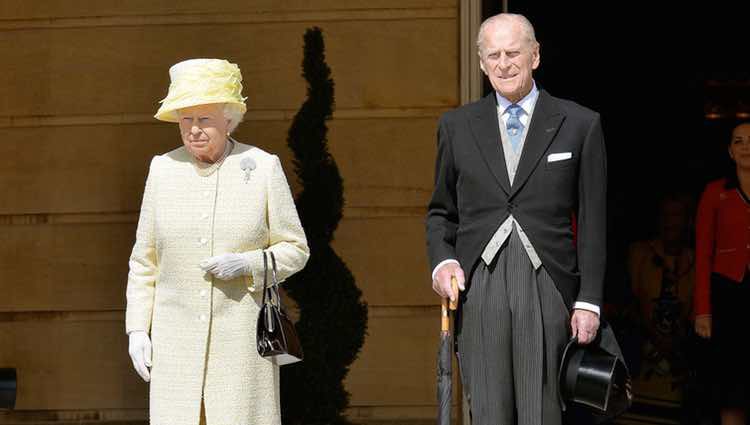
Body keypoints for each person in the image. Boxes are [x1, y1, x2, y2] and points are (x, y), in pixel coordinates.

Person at [425, 13, 608, 425]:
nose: (504, 63)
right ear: (481, 63)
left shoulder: (580, 124)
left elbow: (593, 223)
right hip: (480, 286)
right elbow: (440, 212)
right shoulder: (456, 126)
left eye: (513, 53)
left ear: (535, 56)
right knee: (487, 411)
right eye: (493, 55)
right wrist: (443, 260)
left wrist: (589, 302)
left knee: (542, 411)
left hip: (550, 286)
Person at [125, 58, 310, 425]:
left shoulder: (262, 167)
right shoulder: (162, 170)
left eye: (204, 119)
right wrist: (136, 330)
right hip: (175, 348)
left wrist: (249, 263)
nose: (193, 130)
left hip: (240, 349)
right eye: (185, 119)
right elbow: (144, 261)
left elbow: (296, 249)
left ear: (229, 119)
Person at [694, 122, 750, 425]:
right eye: (739, 141)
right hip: (729, 293)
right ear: (730, 151)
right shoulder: (716, 192)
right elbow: (703, 253)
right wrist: (703, 311)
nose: (746, 147)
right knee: (732, 384)